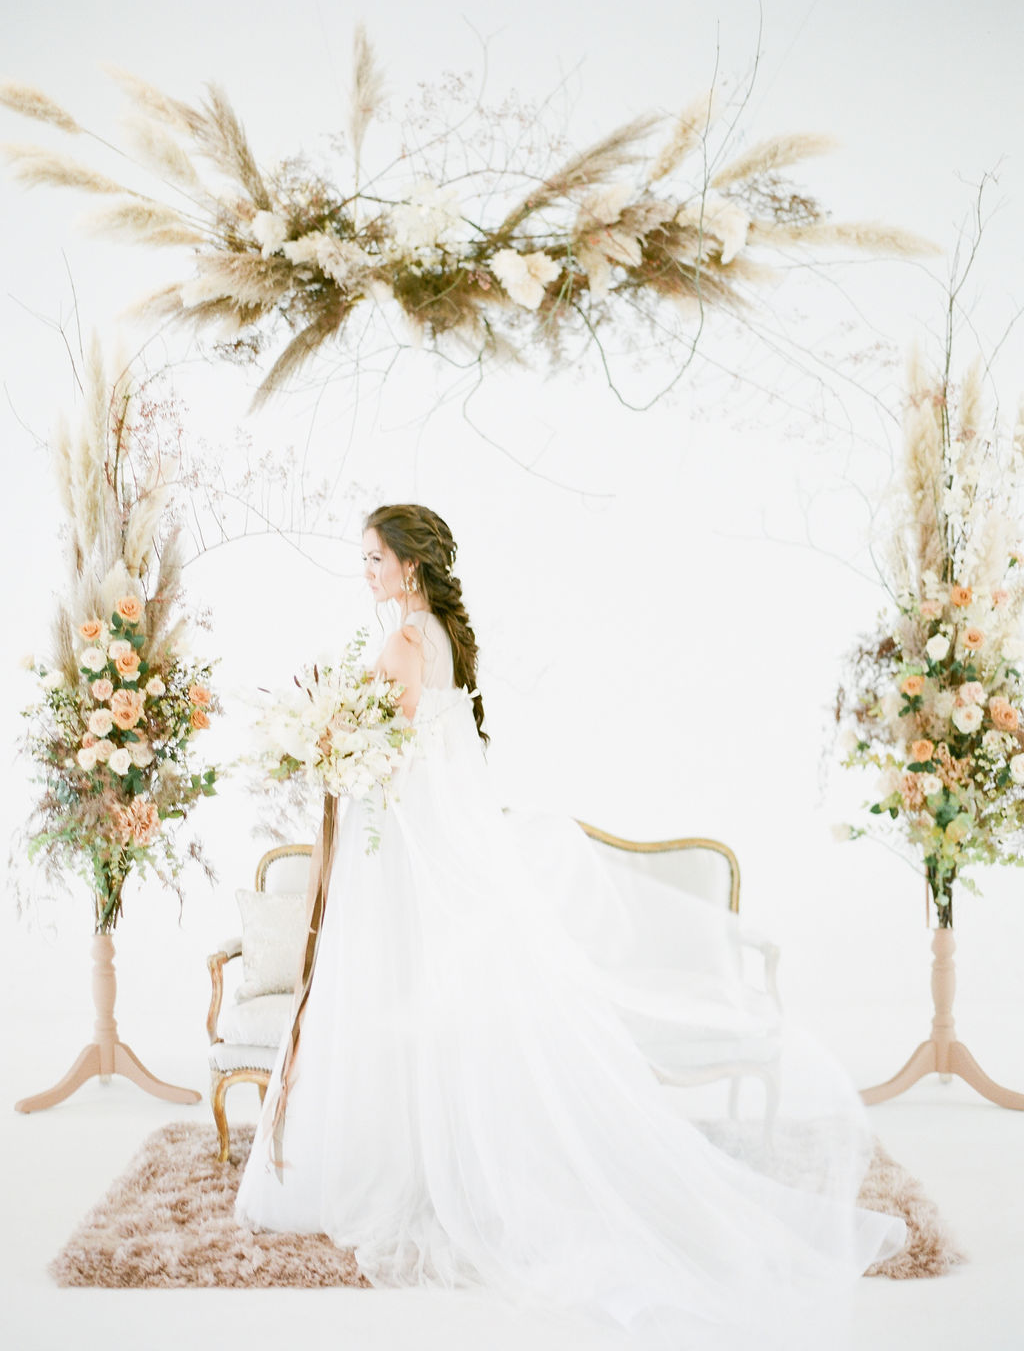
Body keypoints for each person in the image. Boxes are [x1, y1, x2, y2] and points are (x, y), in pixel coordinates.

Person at [235, 503, 905, 1349]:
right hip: (413, 847)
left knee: (385, 1003)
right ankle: (425, 1157)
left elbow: (391, 757)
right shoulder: (439, 635)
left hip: (400, 856)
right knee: (418, 1011)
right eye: (364, 558)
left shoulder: (405, 640)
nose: (364, 571)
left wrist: (328, 751)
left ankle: (388, 1171)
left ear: (410, 564)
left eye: (374, 558)